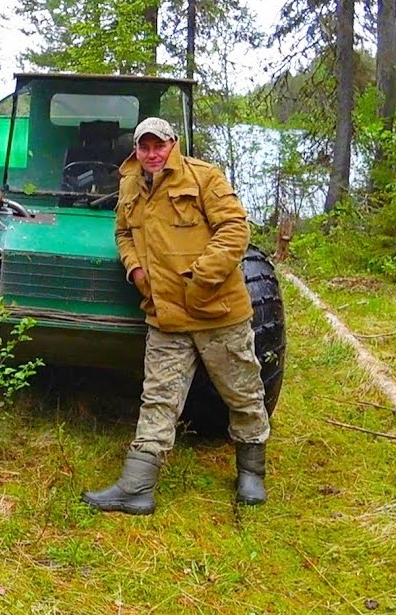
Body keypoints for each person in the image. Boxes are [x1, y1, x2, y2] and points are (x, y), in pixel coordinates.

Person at [82, 116, 271, 514]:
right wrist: (135, 268)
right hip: (164, 314)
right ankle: (137, 488)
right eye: (144, 146)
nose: (152, 153)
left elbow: (235, 229)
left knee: (243, 392)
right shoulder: (129, 184)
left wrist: (200, 279)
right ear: (136, 149)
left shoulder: (204, 177)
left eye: (159, 145)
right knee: (158, 398)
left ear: (173, 144)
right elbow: (123, 233)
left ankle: (251, 471)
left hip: (216, 311)